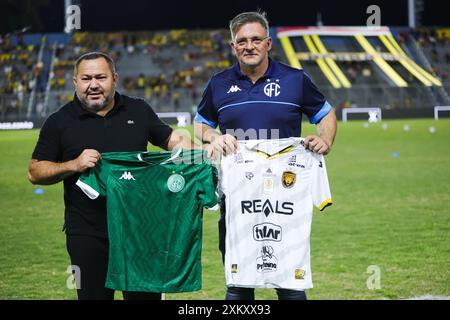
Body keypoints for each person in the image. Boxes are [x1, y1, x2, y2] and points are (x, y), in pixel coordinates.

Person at [28, 51, 198, 300]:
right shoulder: (59, 121)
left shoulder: (138, 110)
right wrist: (74, 164)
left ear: (114, 79)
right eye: (86, 78)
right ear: (75, 81)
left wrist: (198, 151)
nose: (93, 85)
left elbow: (172, 140)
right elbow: (35, 172)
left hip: (141, 231)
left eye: (101, 77)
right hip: (87, 234)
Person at [194, 11, 337, 300]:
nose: (249, 46)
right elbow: (200, 124)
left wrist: (325, 139)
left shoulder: (295, 79)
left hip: (285, 200)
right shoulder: (218, 83)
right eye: (242, 41)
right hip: (238, 201)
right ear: (233, 46)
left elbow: (326, 113)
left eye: (256, 39)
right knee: (238, 284)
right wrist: (214, 136)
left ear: (268, 43)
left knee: (291, 286)